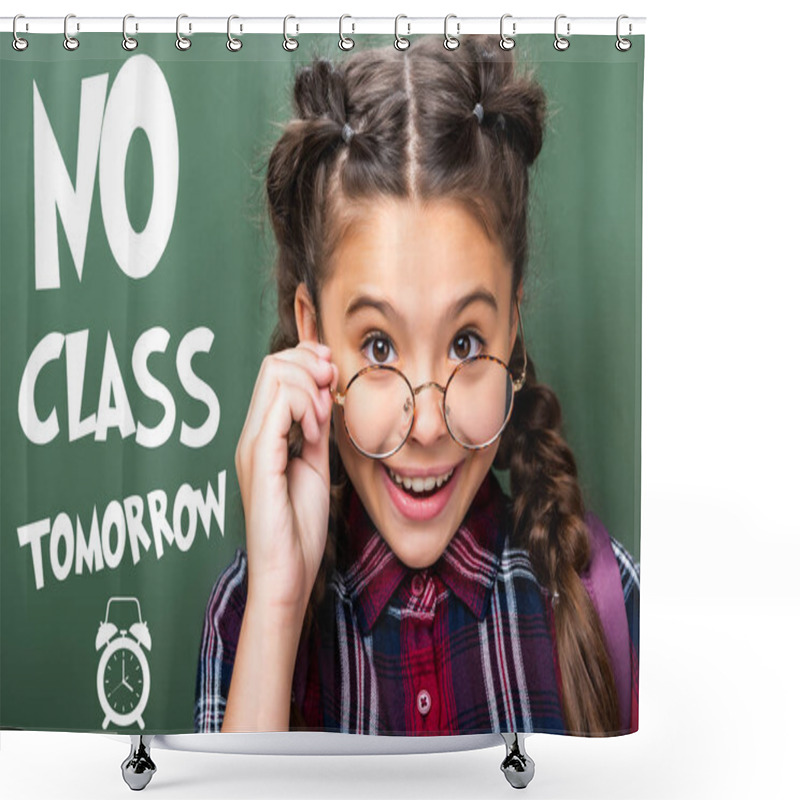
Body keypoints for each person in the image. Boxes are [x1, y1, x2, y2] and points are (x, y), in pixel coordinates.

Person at [194, 34, 639, 738]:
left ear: (512, 326)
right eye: (378, 346)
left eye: (465, 343)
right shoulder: (245, 619)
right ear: (314, 335)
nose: (428, 426)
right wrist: (277, 607)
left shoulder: (606, 596)